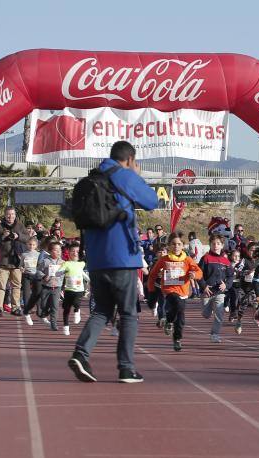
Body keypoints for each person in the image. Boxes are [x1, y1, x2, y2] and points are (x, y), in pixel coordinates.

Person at [68, 140, 159, 384]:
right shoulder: (124, 176)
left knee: (102, 310)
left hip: (97, 259)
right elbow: (152, 201)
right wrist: (135, 176)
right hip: (122, 258)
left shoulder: (92, 178)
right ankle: (126, 368)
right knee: (129, 313)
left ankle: (81, 353)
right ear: (129, 159)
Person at [148, 233, 203, 352]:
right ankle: (169, 320)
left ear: (183, 246)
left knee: (181, 319)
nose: (176, 246)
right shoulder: (164, 259)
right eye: (173, 244)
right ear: (169, 246)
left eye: (179, 244)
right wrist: (151, 289)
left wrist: (194, 275)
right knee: (177, 304)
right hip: (169, 290)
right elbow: (152, 274)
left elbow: (199, 272)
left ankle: (177, 338)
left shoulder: (187, 260)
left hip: (183, 291)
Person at [0, 207, 29, 316]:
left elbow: (28, 238)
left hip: (16, 260)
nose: (10, 216)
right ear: (5, 215)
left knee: (16, 286)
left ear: (15, 214)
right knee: (1, 285)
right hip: (3, 261)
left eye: (12, 214)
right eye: (8, 214)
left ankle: (15, 307)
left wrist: (18, 236)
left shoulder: (20, 225)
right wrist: (2, 237)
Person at [57, 243, 89, 335]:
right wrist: (63, 271)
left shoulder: (81, 263)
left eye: (77, 252)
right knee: (66, 309)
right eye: (73, 251)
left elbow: (82, 273)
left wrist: (91, 281)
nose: (75, 253)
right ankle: (66, 326)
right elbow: (57, 273)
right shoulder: (66, 263)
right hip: (68, 290)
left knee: (76, 302)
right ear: (69, 252)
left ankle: (77, 310)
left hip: (79, 289)